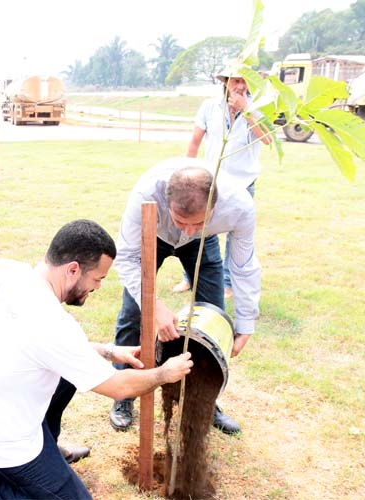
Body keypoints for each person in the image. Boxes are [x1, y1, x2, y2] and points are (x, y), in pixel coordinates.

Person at [0, 219, 194, 500]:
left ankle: (47, 443)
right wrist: (164, 373)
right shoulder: (50, 321)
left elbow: (42, 348)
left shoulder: (15, 277)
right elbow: (118, 387)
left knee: (66, 376)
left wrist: (111, 351)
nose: (97, 287)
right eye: (97, 278)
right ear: (73, 269)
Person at [109, 159, 260, 435]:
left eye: (198, 221)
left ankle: (205, 402)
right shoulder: (146, 193)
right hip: (153, 236)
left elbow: (243, 265)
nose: (187, 230)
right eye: (181, 221)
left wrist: (246, 321)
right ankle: (124, 394)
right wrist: (153, 306)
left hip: (205, 242)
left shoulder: (238, 205)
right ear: (167, 203)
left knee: (214, 316)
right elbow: (127, 258)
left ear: (215, 207)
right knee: (133, 313)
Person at [173, 66, 271, 298]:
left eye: (245, 81)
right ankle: (189, 277)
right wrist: (188, 171)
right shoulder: (209, 106)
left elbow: (267, 139)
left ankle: (227, 283)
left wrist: (246, 110)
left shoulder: (258, 108)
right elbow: (195, 140)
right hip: (212, 180)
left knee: (236, 235)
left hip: (243, 183)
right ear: (225, 82)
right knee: (199, 231)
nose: (240, 86)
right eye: (236, 80)